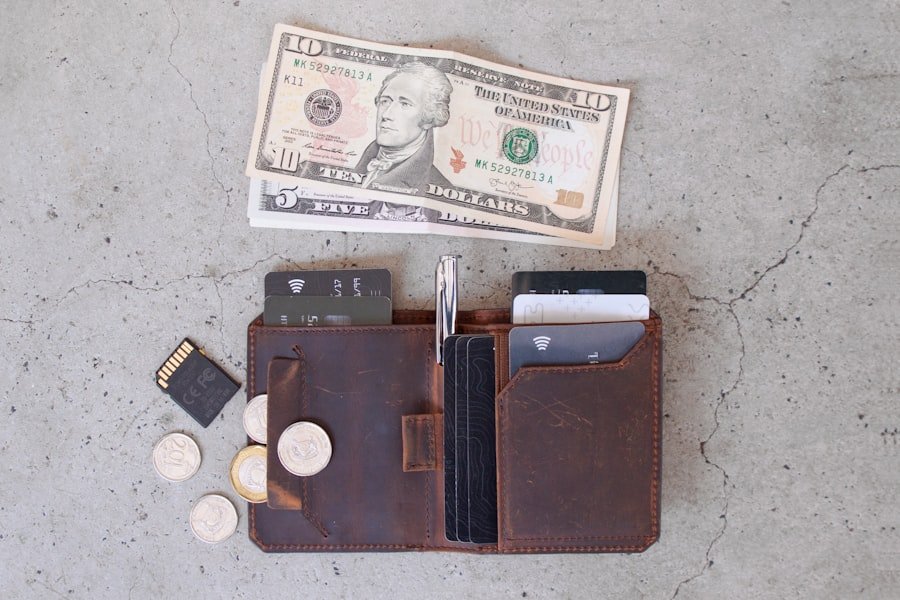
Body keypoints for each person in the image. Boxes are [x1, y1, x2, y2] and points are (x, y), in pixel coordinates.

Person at [356, 62, 453, 197]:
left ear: (429, 118)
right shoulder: (361, 164)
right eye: (385, 101)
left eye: (405, 104)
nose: (386, 115)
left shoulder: (439, 188)